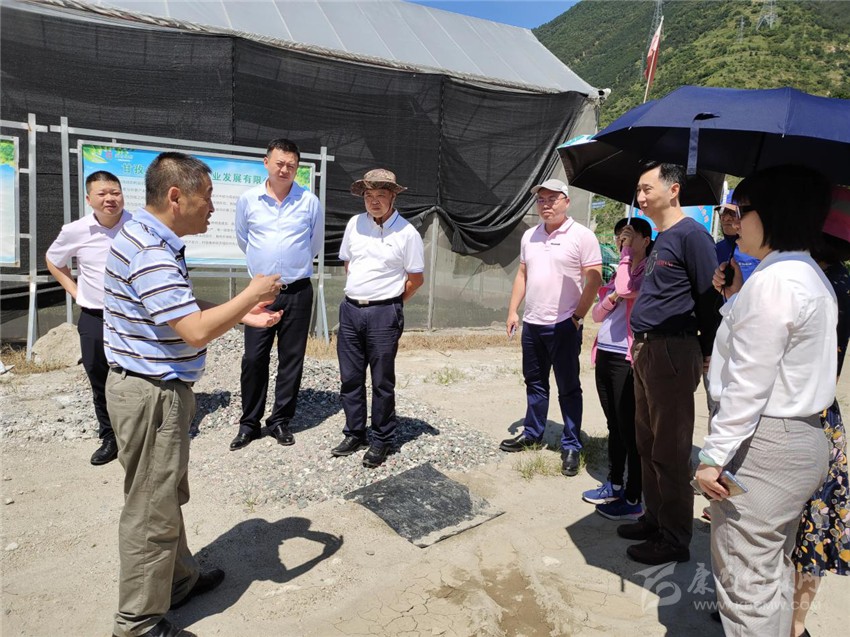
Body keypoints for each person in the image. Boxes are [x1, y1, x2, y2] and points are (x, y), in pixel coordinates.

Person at [103, 152, 283, 637]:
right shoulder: (150, 250)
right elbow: (195, 331)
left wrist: (240, 313)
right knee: (150, 508)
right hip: (151, 394)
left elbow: (176, 304)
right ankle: (138, 623)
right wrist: (251, 294)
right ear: (175, 197)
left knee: (162, 495)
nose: (212, 209)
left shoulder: (147, 238)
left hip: (153, 390)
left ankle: (178, 581)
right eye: (207, 197)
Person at [694, 165, 835, 637]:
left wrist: (713, 456)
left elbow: (749, 382)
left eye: (741, 211)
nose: (734, 223)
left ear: (771, 214)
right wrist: (735, 294)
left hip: (764, 444)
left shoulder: (776, 281)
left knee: (746, 591)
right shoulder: (805, 273)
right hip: (800, 438)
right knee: (770, 573)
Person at [617, 161, 720, 565]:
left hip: (672, 352)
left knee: (671, 449)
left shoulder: (692, 235)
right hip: (646, 350)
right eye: (638, 190)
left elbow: (709, 297)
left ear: (673, 190)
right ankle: (655, 518)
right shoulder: (662, 238)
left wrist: (708, 350)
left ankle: (675, 538)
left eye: (647, 189)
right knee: (647, 443)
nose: (640, 197)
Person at [500, 178, 602, 477]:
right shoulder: (529, 236)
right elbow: (522, 274)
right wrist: (513, 311)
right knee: (534, 381)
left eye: (552, 199)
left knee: (568, 386)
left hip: (564, 324)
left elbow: (594, 278)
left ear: (566, 201)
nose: (546, 205)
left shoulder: (582, 236)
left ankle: (571, 444)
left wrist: (578, 316)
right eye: (541, 200)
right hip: (533, 323)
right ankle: (533, 433)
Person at [230, 138, 324, 451]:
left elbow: (313, 244)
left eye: (291, 166)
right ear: (266, 162)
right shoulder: (249, 200)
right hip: (260, 292)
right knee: (253, 358)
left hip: (298, 290)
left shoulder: (309, 201)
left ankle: (280, 420)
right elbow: (243, 239)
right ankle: (249, 423)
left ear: (297, 168)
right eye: (279, 163)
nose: (284, 170)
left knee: (291, 358)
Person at [331, 169, 425, 468]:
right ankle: (354, 432)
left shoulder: (407, 233)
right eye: (368, 196)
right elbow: (349, 263)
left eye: (381, 195)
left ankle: (382, 438)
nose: (373, 201)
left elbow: (416, 279)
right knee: (350, 377)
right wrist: (361, 293)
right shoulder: (354, 224)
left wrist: (390, 302)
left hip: (384, 313)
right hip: (351, 310)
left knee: (382, 380)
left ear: (393, 197)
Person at [791, 185, 850, 637]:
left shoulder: (815, 284)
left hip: (801, 415)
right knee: (814, 525)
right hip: (824, 417)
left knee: (799, 524)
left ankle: (788, 622)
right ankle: (793, 622)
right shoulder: (834, 281)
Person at [45, 171, 132, 466]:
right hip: (95, 315)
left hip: (132, 317)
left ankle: (138, 432)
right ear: (89, 199)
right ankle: (110, 436)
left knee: (137, 375)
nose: (110, 199)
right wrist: (75, 290)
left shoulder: (138, 226)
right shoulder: (75, 230)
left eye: (115, 192)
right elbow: (53, 260)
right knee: (99, 376)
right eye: (102, 194)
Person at [583, 217, 652, 521]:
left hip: (627, 358)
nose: (622, 243)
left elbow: (627, 288)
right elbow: (597, 314)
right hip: (606, 354)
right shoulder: (619, 273)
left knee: (630, 428)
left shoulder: (645, 270)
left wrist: (625, 258)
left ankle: (634, 496)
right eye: (620, 238)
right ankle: (613, 484)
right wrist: (613, 296)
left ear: (645, 240)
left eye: (628, 237)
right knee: (614, 424)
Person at [714, 192, 759, 282]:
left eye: (733, 213)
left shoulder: (758, 251)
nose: (726, 218)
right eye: (722, 211)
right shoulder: (716, 248)